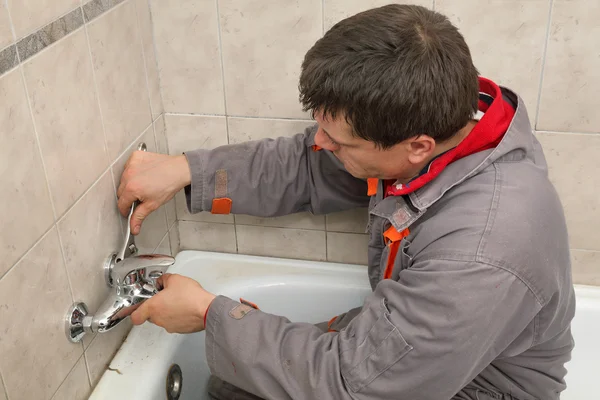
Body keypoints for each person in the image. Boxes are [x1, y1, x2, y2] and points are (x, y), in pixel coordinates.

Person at [117, 4, 575, 400]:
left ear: (417, 145)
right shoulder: (440, 131)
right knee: (234, 385)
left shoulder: (483, 251)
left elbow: (354, 388)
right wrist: (184, 171)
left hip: (479, 387)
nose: (320, 144)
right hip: (432, 364)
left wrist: (207, 313)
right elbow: (307, 164)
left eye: (338, 141)